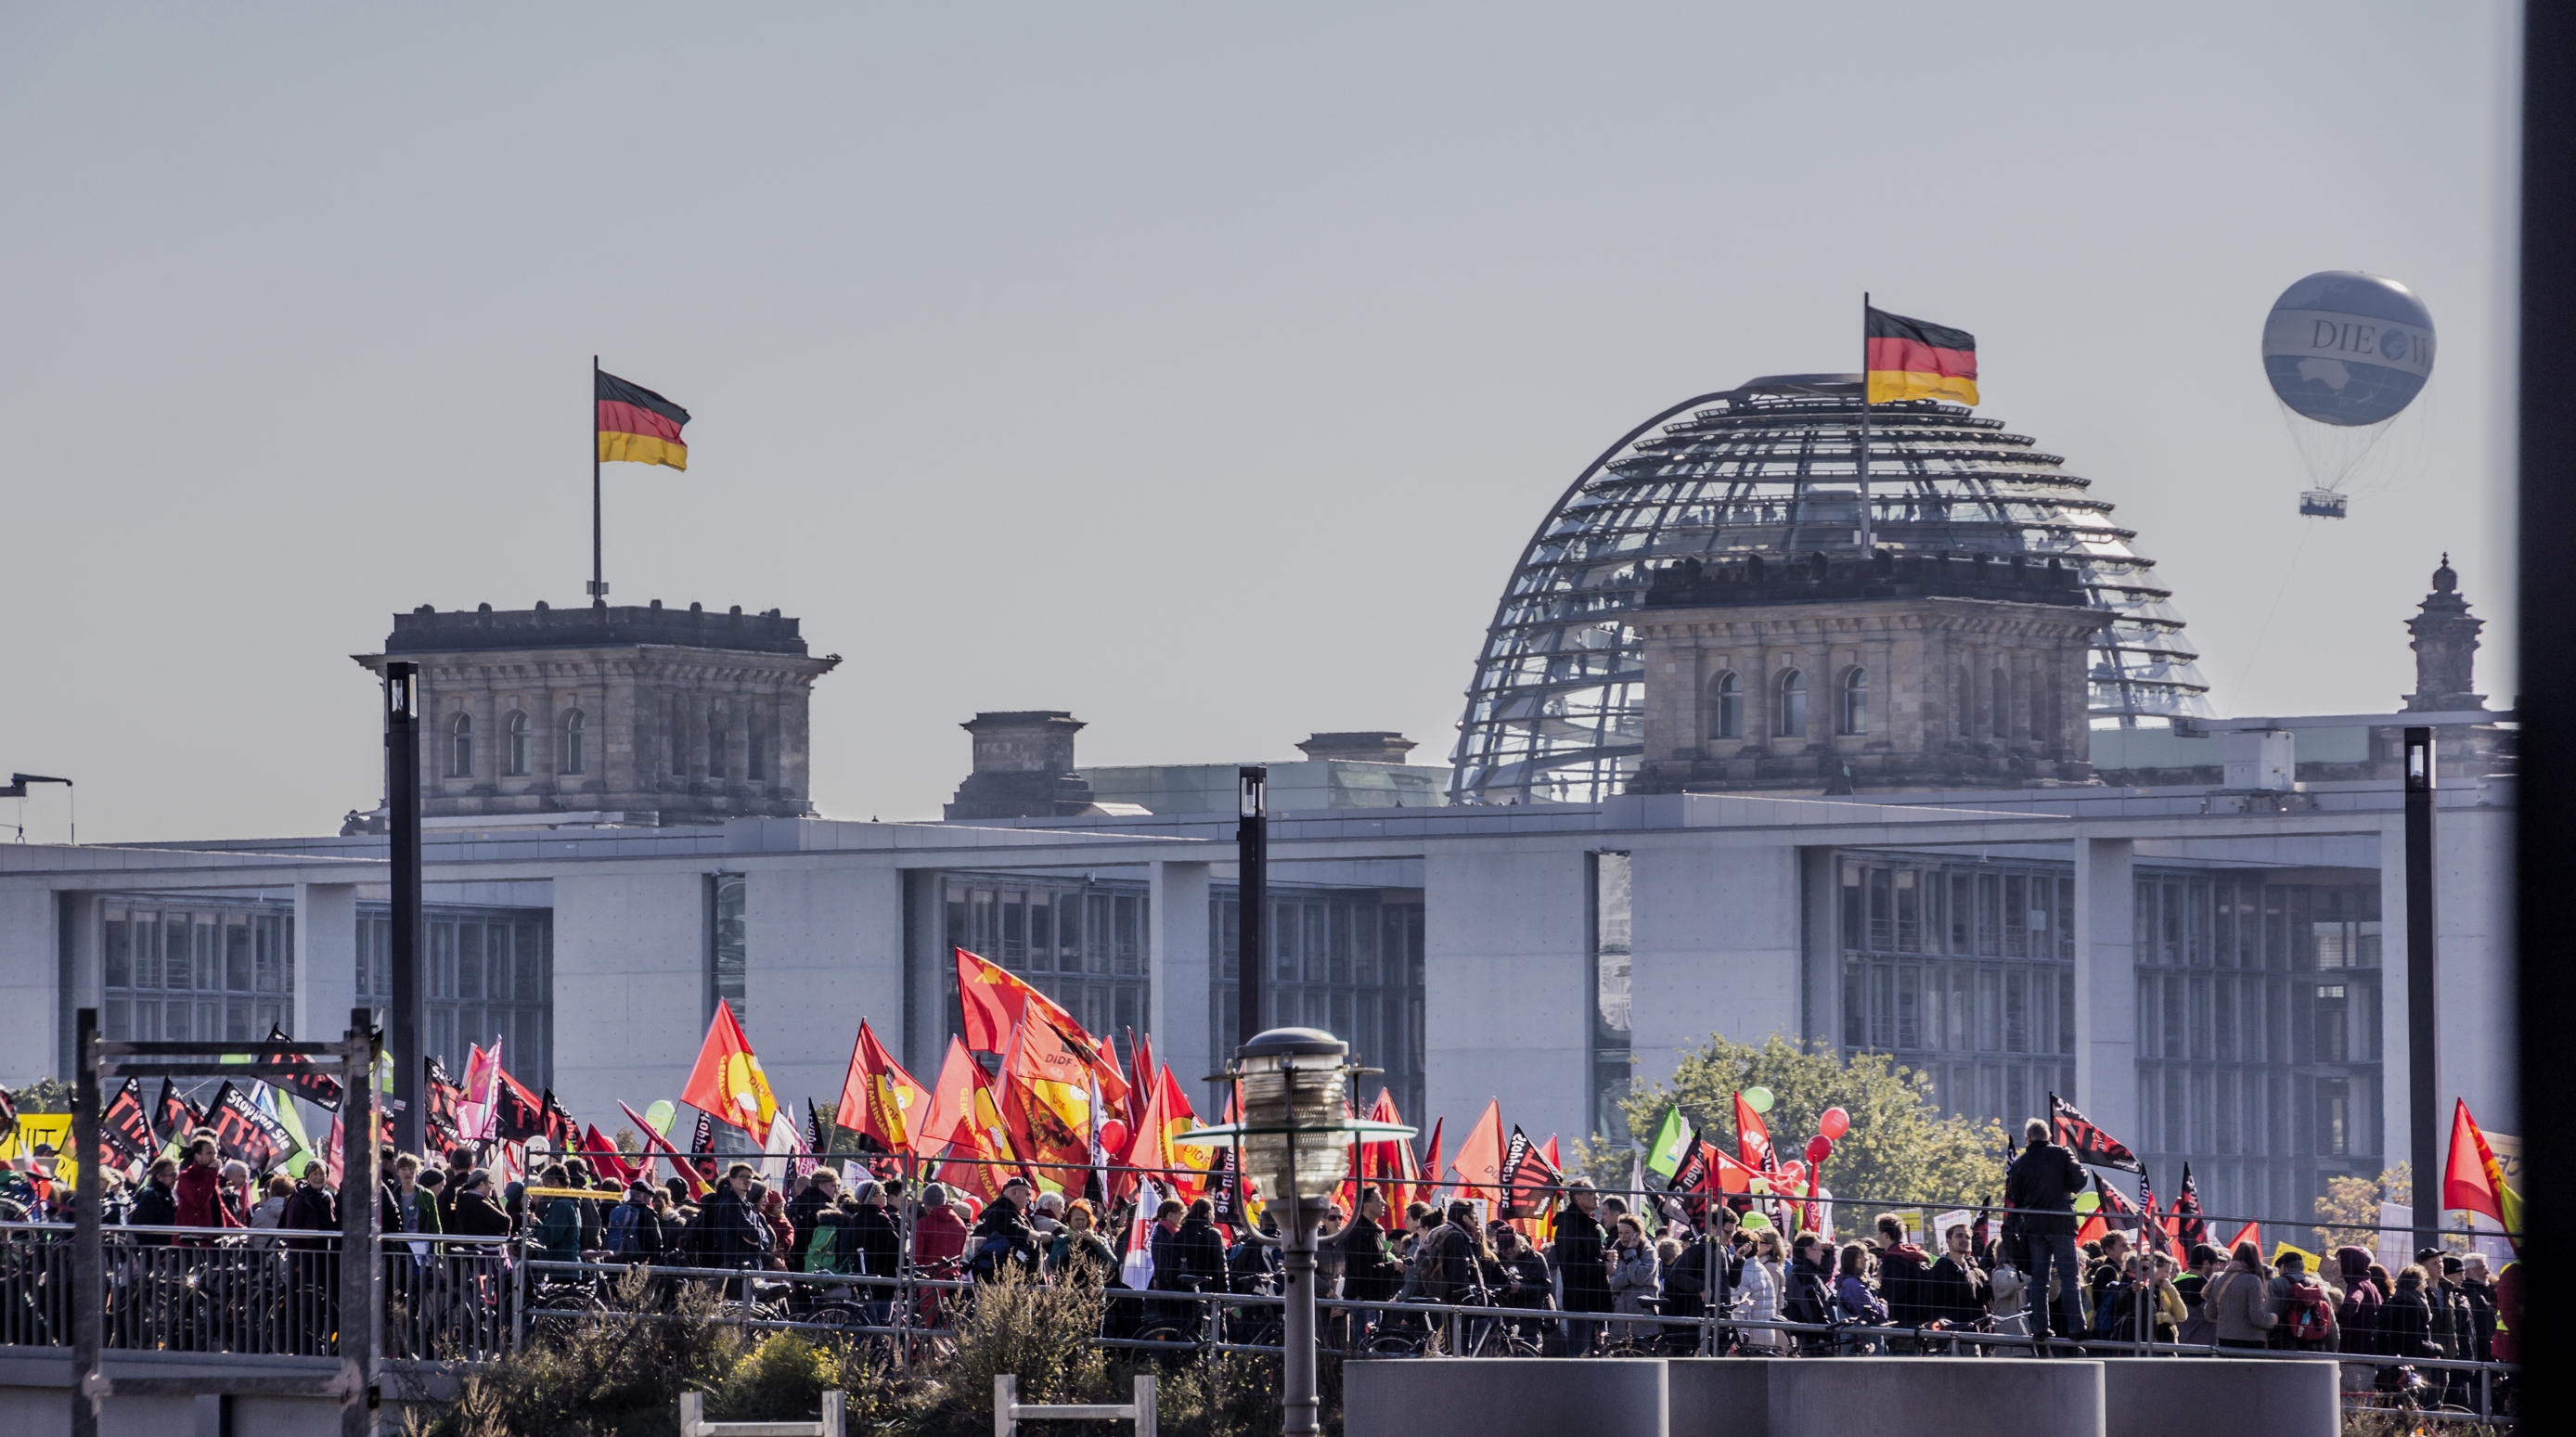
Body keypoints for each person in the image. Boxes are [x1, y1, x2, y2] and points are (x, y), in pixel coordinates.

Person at [2003, 1116, 2086, 1348]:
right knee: (2070, 1278)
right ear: (2048, 1136)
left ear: (2028, 1138)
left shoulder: (2019, 1163)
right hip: (2061, 1225)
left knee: (2039, 1281)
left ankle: (2039, 1328)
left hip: (2034, 1228)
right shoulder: (2062, 1153)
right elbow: (2079, 1181)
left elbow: (2016, 1198)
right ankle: (2076, 1328)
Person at [1552, 1179, 1612, 1356]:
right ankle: (1574, 1385)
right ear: (1578, 1196)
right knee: (1579, 1356)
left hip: (1596, 1301)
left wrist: (1606, 1257)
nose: (1597, 1197)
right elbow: (1572, 1265)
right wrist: (1603, 1267)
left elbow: (1587, 1257)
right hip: (1581, 1302)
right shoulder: (1569, 1225)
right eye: (1592, 1193)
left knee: (1598, 1355)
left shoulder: (1588, 1224)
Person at [2204, 1240, 2277, 1350]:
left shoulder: (2219, 1279)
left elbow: (2209, 1314)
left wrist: (2229, 1320)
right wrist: (2273, 1318)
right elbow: (2257, 1318)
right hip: (2251, 1341)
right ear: (2255, 1259)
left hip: (2224, 1340)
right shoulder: (2253, 1280)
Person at [970, 1176, 1041, 1280]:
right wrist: (1040, 1236)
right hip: (1001, 1277)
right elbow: (1016, 1231)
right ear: (1015, 1192)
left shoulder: (1013, 1212)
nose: (1029, 1199)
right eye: (1027, 1194)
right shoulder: (999, 1212)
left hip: (1014, 1277)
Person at [1924, 1223, 1988, 1332]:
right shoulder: (1937, 1272)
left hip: (1974, 1338)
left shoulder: (1974, 1274)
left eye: (1968, 1237)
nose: (1965, 1240)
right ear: (1948, 1241)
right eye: (1959, 1236)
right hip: (1949, 1339)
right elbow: (1931, 1309)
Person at [1605, 1214, 1661, 1341]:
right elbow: (1612, 1283)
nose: (1623, 1236)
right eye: (1620, 1233)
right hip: (1620, 1314)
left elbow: (1638, 1277)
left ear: (1636, 1233)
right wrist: (1630, 1275)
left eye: (1627, 1232)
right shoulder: (1615, 1251)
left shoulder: (1649, 1251)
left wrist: (1631, 1252)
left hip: (1643, 1312)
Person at [1874, 1213, 1933, 1330]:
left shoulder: (1892, 1260)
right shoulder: (1913, 1255)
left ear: (1886, 1235)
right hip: (1920, 1319)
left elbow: (1892, 1295)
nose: (1877, 1237)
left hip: (1901, 1322)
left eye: (1878, 1233)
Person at [1734, 1226, 1787, 1353]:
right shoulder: (1762, 1267)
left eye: (1759, 1242)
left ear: (1769, 1246)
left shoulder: (1769, 1268)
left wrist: (1740, 1337)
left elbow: (1768, 1304)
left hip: (1756, 1331)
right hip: (1764, 1331)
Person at [1048, 1198, 1118, 1286]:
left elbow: (1112, 1262)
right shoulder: (1062, 1239)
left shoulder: (1099, 1239)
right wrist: (1071, 1245)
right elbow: (1052, 1263)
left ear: (1088, 1221)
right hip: (1067, 1290)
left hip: (1093, 1291)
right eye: (1077, 1219)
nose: (1080, 1222)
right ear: (1069, 1220)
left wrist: (1095, 1242)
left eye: (1083, 1219)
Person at [911, 1183, 972, 1268]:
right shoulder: (960, 1223)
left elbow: (916, 1256)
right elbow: (960, 1255)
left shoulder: (923, 1224)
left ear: (927, 1207)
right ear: (945, 1201)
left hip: (927, 1277)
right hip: (952, 1276)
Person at [2176, 1244, 2222, 1347]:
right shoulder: (2201, 1284)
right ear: (2206, 1263)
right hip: (2200, 1344)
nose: (2217, 1267)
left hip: (2179, 1343)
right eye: (2215, 1263)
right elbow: (2211, 1313)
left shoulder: (2176, 1281)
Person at [127, 1158, 180, 1245]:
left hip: (166, 1251)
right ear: (159, 1177)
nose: (176, 1179)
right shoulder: (150, 1196)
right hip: (154, 1254)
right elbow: (141, 1229)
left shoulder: (167, 1196)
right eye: (172, 1175)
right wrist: (158, 1253)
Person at [448, 1170, 511, 1238]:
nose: (492, 1187)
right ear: (482, 1184)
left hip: (472, 1244)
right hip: (483, 1246)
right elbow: (505, 1222)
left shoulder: (465, 1198)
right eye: (491, 1183)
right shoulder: (477, 1202)